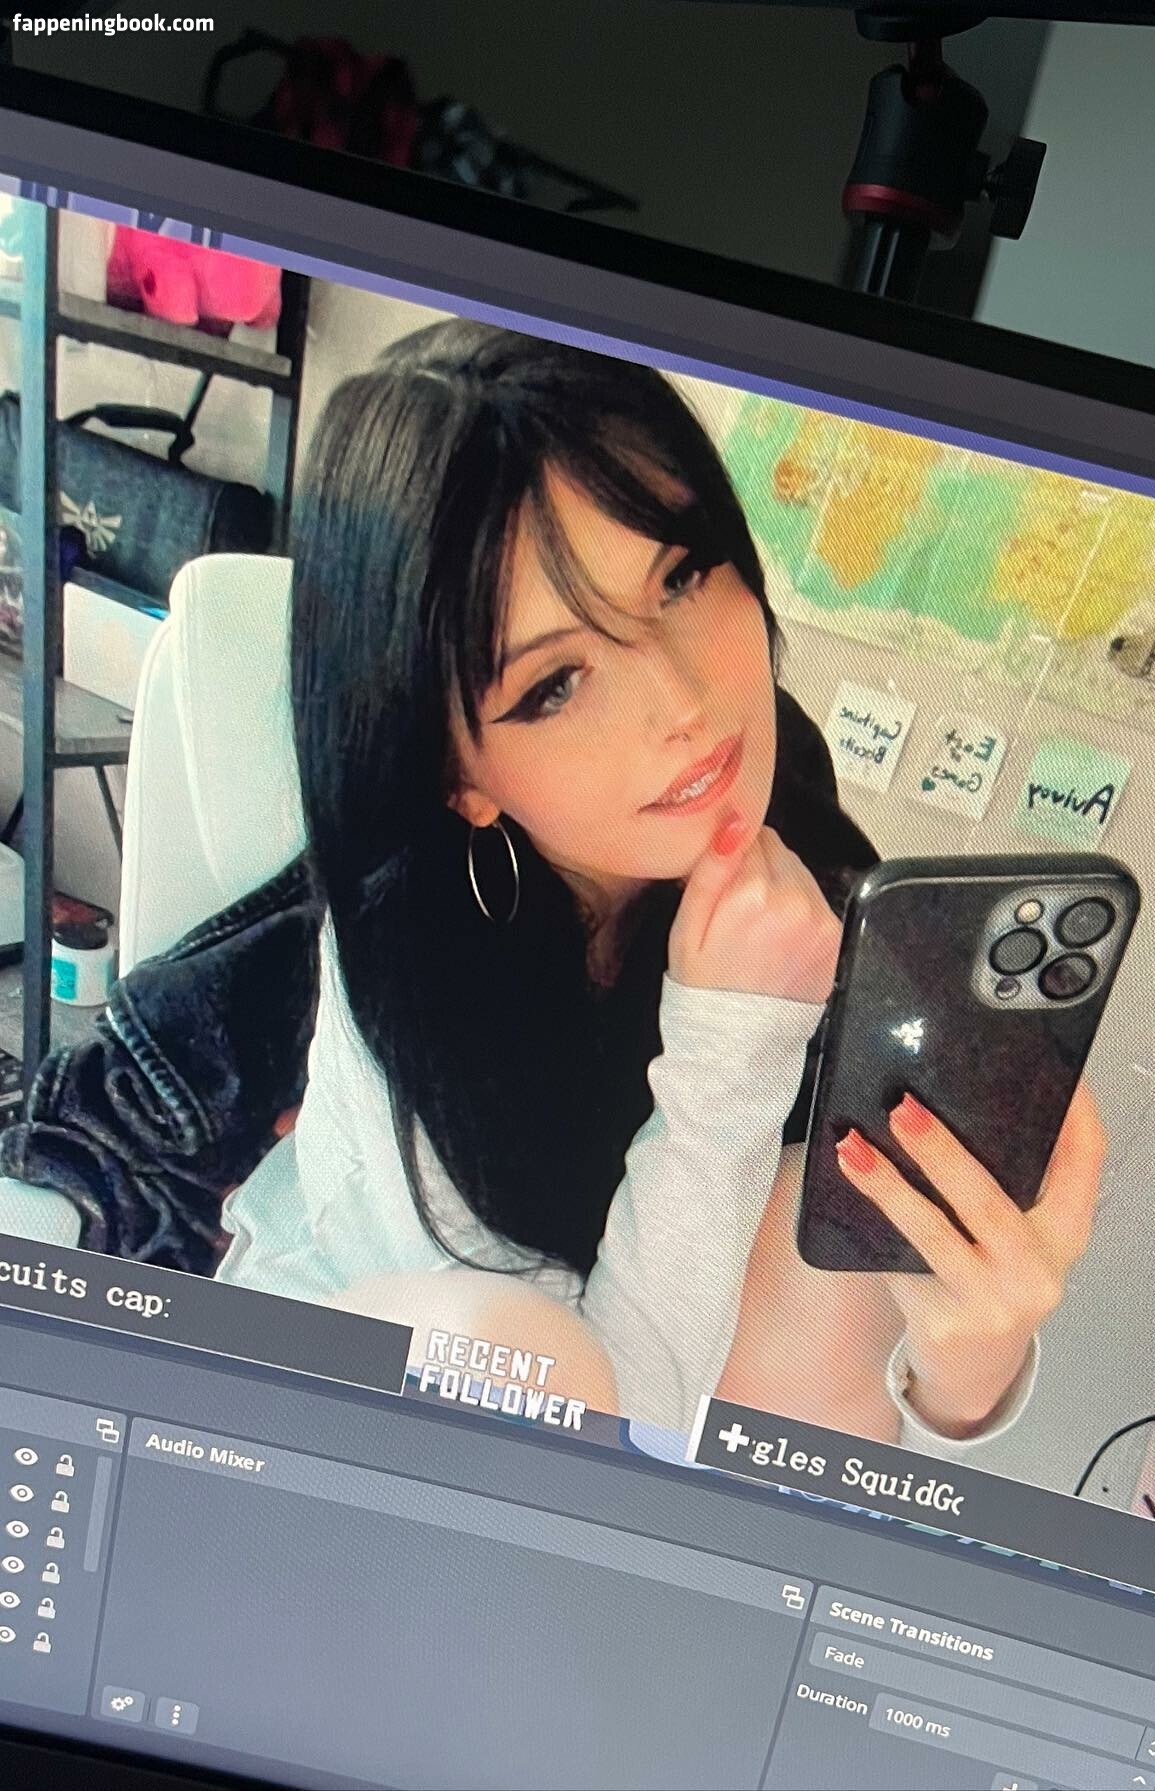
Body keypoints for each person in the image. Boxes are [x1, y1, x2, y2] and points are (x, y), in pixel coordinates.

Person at [214, 321, 1107, 1454]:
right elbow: (596, 1428)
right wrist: (732, 1038)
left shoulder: (785, 822)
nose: (683, 703)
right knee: (524, 1347)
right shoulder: (412, 962)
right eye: (556, 683)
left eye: (681, 575)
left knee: (843, 1223)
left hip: (659, 1339)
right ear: (456, 777)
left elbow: (831, 1365)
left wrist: (973, 1355)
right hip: (413, 1389)